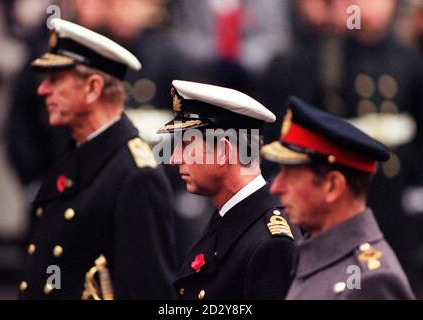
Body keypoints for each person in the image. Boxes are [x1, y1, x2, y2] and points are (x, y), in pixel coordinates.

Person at [18, 18, 176, 300]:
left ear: (92, 88)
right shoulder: (75, 154)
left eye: (55, 80)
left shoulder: (136, 176)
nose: (42, 90)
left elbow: (147, 291)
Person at [157, 80, 300, 300]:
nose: (174, 158)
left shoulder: (271, 245)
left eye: (186, 145)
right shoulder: (229, 215)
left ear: (224, 150)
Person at [262, 96, 415, 299]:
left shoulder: (368, 280)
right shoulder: (319, 253)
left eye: (291, 175)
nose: (276, 187)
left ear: (333, 186)